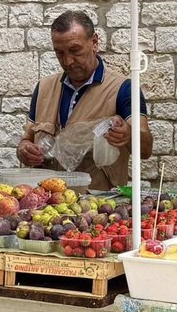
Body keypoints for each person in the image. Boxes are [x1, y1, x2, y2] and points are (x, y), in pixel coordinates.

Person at [17, 10, 152, 189]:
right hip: (47, 208)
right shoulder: (43, 88)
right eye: (59, 53)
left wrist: (129, 135)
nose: (68, 61)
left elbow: (146, 150)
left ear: (94, 42)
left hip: (99, 212)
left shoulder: (124, 89)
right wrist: (24, 150)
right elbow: (27, 139)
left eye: (75, 50)